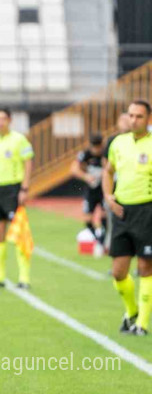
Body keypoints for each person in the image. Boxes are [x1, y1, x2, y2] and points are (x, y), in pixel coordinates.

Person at [102, 100, 152, 336]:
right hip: (122, 211)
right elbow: (108, 171)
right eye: (131, 115)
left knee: (145, 267)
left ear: (148, 119)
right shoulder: (118, 143)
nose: (134, 120)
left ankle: (142, 323)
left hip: (147, 210)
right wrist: (108, 197)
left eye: (139, 116)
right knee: (118, 272)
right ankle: (131, 311)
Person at [0, 108, 34, 289]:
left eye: (3, 118)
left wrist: (24, 188)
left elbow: (28, 163)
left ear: (9, 120)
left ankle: (24, 279)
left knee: (18, 234)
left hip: (14, 188)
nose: (0, 122)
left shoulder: (19, 139)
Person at [103, 113, 132, 251]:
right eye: (123, 119)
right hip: (117, 187)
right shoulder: (113, 141)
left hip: (138, 190)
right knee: (114, 219)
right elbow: (106, 166)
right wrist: (108, 195)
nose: (126, 122)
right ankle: (111, 246)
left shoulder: (143, 140)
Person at [70, 133, 106, 245]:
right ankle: (97, 239)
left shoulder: (106, 154)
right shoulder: (85, 154)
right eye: (94, 147)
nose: (96, 150)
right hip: (90, 191)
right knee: (87, 218)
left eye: (98, 147)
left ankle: (103, 241)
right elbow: (73, 169)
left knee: (105, 216)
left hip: (104, 191)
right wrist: (86, 176)